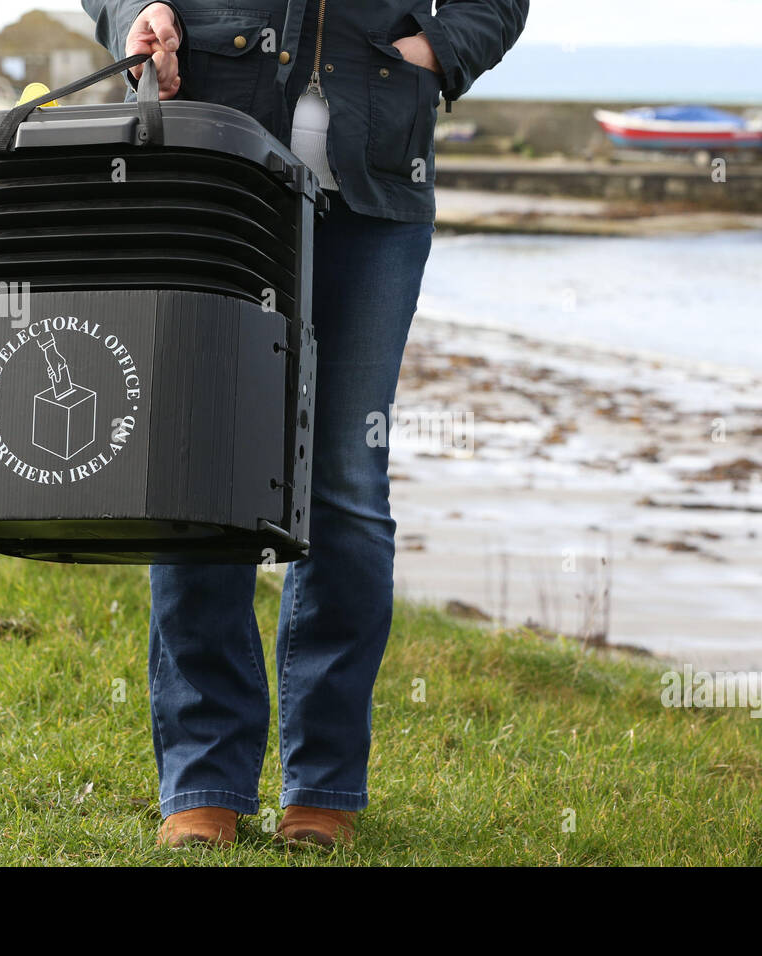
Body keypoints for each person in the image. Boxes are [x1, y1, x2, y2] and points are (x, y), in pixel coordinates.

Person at [82, 0, 529, 850]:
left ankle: (322, 783)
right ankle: (204, 778)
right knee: (196, 465)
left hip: (378, 192)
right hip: (210, 166)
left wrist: (436, 48)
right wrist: (136, 14)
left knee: (346, 487)